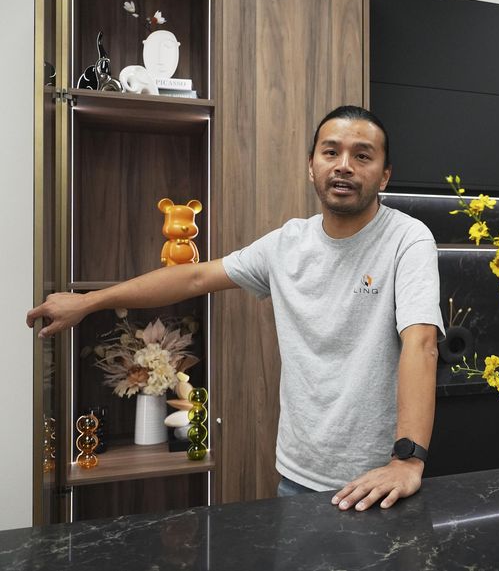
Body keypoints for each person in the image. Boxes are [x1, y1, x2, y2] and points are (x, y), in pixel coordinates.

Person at [26, 105, 444, 512]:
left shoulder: (408, 239)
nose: (344, 165)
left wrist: (407, 460)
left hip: (380, 481)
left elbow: (421, 343)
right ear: (311, 165)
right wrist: (91, 301)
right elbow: (193, 277)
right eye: (331, 152)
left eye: (363, 155)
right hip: (298, 477)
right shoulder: (287, 243)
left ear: (385, 175)